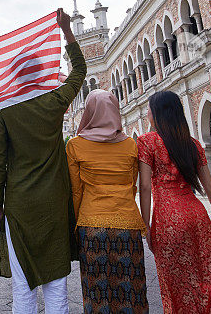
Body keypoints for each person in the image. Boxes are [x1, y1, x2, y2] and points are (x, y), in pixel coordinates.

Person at [0, 8, 85, 314]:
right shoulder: (54, 101)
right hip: (54, 204)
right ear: (40, 75)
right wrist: (67, 32)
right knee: (56, 282)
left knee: (22, 284)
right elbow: (80, 71)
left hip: (19, 205)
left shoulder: (3, 112)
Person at [138, 90, 211, 314]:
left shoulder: (147, 142)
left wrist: (145, 224)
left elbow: (145, 187)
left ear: (157, 114)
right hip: (197, 215)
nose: (147, 113)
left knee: (176, 280)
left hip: (168, 219)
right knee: (207, 274)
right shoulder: (193, 144)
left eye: (149, 109)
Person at [66, 89, 148, 314]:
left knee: (97, 294)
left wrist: (75, 226)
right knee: (132, 291)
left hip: (91, 226)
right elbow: (132, 185)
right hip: (128, 225)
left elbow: (76, 192)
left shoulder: (75, 145)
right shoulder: (131, 145)